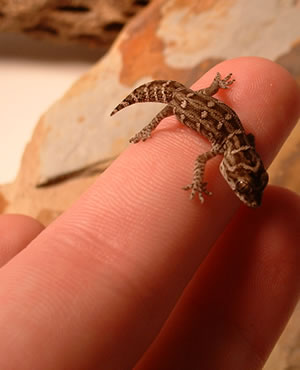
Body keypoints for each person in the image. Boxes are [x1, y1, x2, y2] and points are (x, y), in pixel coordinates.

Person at [0, 57, 299, 370]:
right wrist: (161, 140)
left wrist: (216, 89)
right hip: (188, 103)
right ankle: (144, 117)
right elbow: (198, 162)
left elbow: (214, 148)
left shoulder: (239, 141)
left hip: (201, 101)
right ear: (230, 165)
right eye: (241, 186)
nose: (246, 195)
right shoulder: (225, 145)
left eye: (250, 184)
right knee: (173, 108)